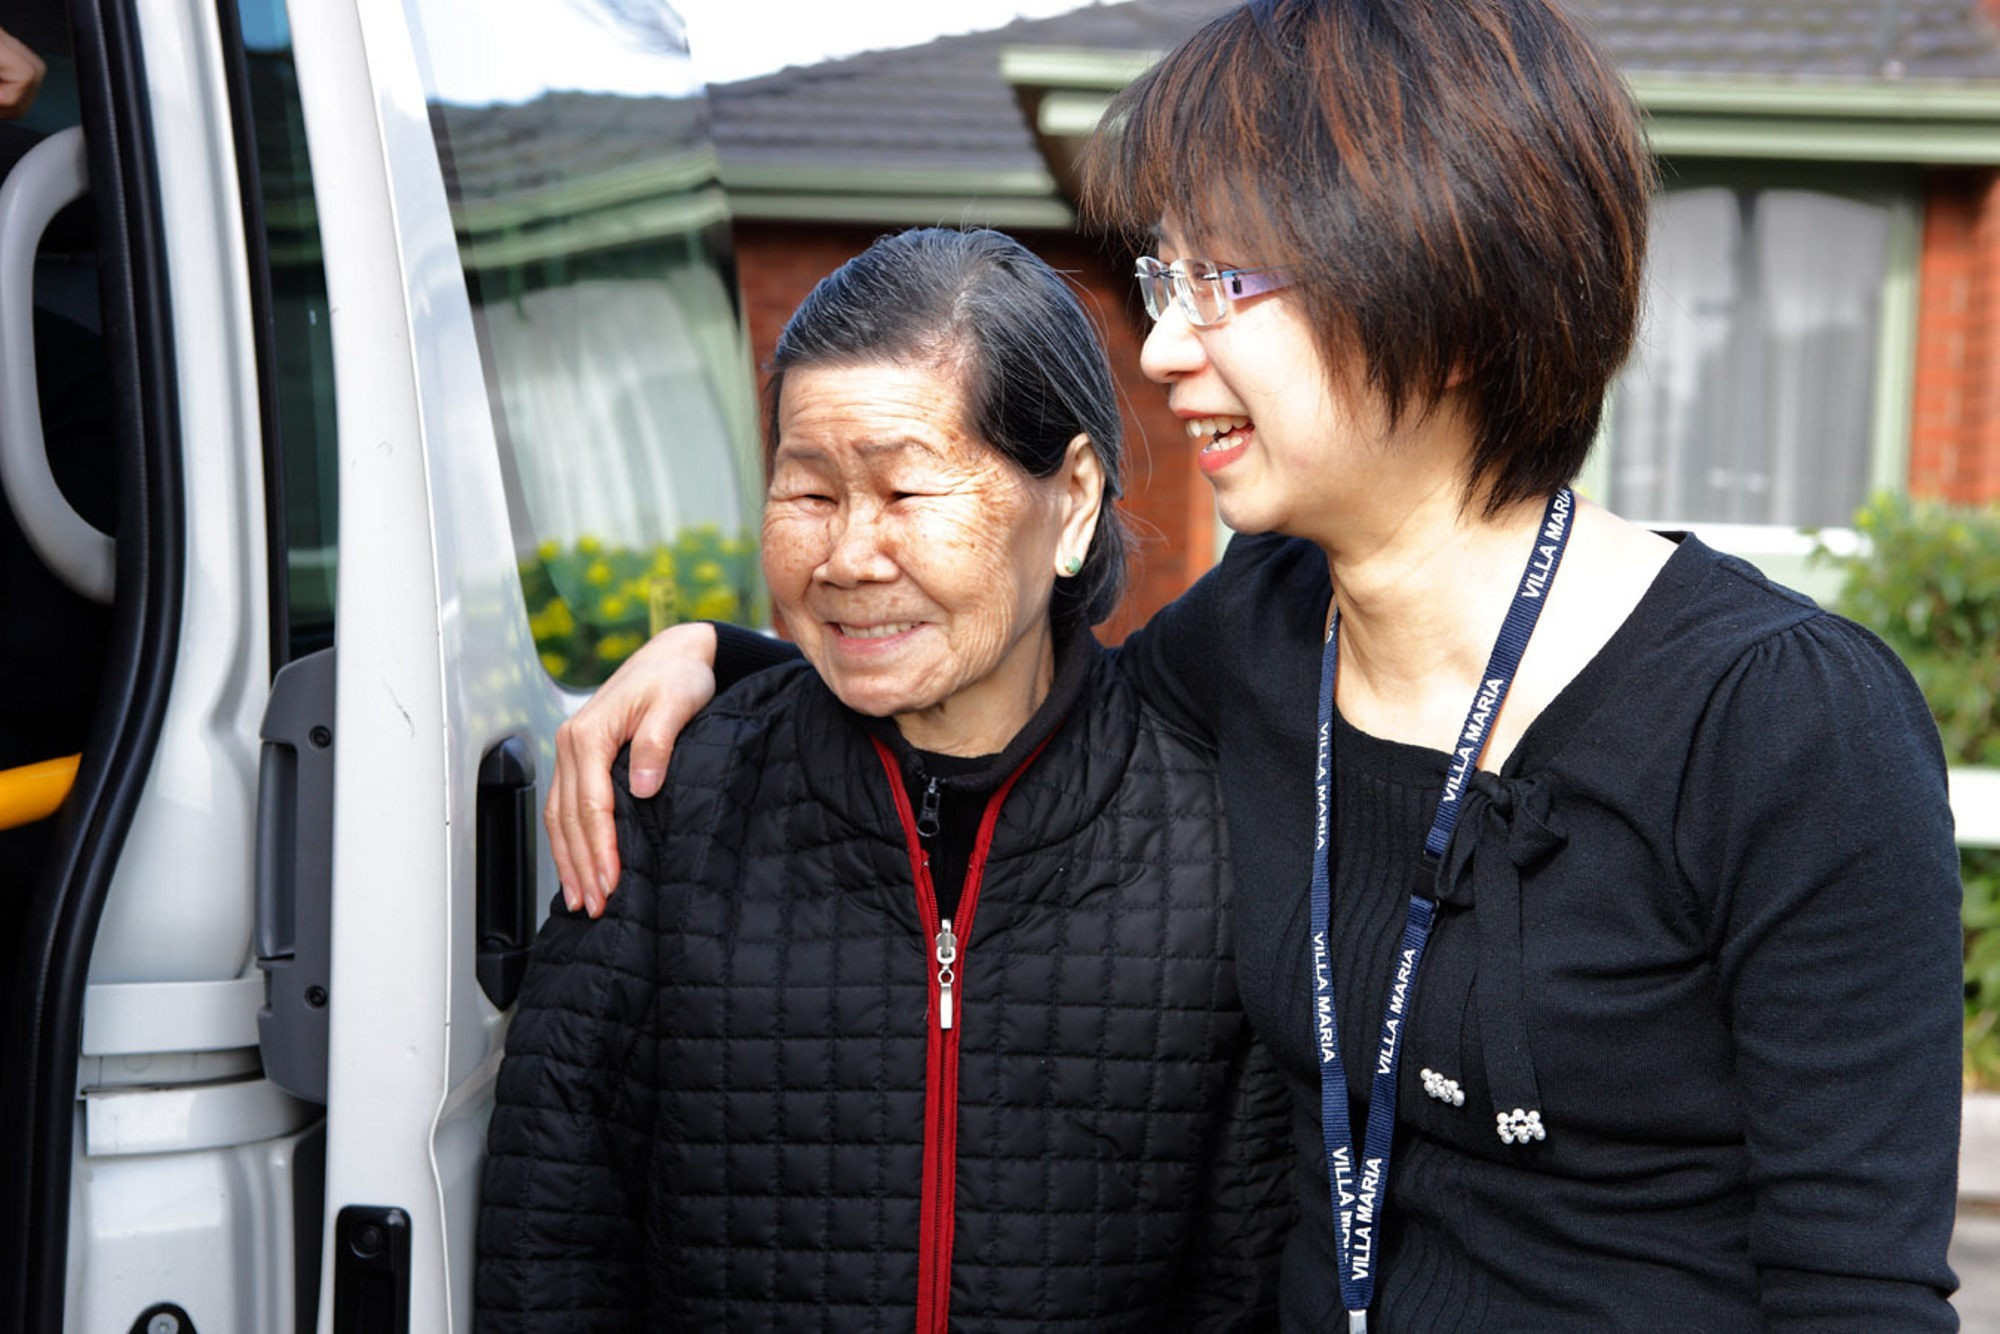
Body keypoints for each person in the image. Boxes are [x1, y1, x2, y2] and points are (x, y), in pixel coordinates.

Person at [544, 2, 1964, 1328]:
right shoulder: (1260, 631)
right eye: (1166, 280)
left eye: (1222, 282)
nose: (1163, 346)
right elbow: (1024, 705)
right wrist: (728, 660)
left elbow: (1859, 1293)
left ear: (1444, 297)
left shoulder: (1786, 720)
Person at [478, 226, 1291, 1331]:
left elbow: (1244, 1281)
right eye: (809, 495)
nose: (849, 557)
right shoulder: (672, 802)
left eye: (907, 492)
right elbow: (550, 1242)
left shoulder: (1212, 841)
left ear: (1073, 499)